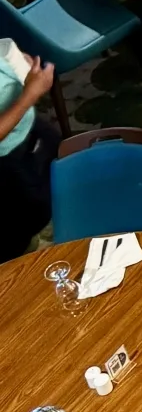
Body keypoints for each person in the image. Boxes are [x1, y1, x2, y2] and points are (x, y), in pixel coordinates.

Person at [0, 52, 58, 261]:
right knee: (29, 214)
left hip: (27, 126)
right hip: (7, 157)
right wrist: (29, 95)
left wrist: (17, 59)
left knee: (58, 169)